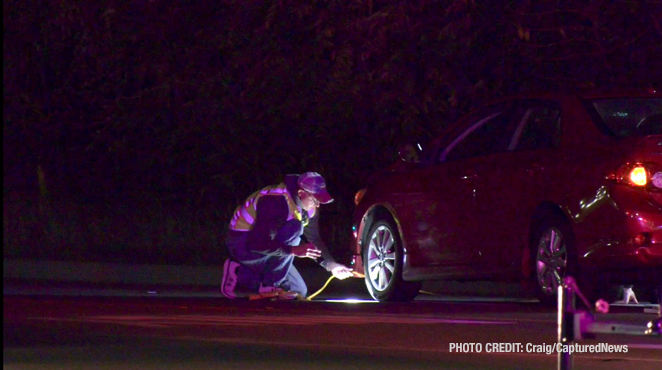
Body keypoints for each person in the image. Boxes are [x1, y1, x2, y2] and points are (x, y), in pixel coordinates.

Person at [221, 172, 354, 299]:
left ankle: (253, 278)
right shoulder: (276, 201)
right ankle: (254, 278)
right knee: (294, 228)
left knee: (298, 291)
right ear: (301, 193)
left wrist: (331, 266)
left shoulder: (309, 208)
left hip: (266, 247)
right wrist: (293, 250)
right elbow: (256, 242)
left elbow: (314, 240)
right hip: (242, 244)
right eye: (315, 200)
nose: (318, 205)